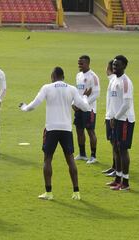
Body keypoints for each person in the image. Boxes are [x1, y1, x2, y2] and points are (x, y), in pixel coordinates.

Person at [20, 67, 90, 200]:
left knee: (47, 159)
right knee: (70, 159)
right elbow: (85, 107)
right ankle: (76, 192)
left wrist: (24, 107)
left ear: (53, 76)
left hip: (51, 128)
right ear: (63, 76)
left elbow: (34, 104)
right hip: (66, 129)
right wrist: (85, 96)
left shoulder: (47, 87)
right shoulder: (72, 89)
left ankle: (49, 192)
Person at [106, 55, 135, 191]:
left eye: (117, 65)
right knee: (116, 148)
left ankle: (126, 182)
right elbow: (113, 101)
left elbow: (126, 104)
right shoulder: (114, 80)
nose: (114, 67)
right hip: (115, 119)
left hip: (124, 120)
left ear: (124, 66)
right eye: (113, 65)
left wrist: (115, 117)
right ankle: (117, 179)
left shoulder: (126, 82)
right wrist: (111, 117)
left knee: (123, 149)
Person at [73, 55, 100, 164]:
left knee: (90, 131)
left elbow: (96, 94)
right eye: (79, 63)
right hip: (79, 108)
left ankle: (93, 156)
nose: (79, 65)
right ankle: (82, 154)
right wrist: (74, 103)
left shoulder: (93, 76)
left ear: (88, 63)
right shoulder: (78, 75)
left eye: (82, 63)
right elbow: (77, 92)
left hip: (89, 109)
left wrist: (84, 103)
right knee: (79, 130)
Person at [102, 60, 117, 177]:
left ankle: (117, 168)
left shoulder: (113, 81)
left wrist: (111, 117)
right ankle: (114, 166)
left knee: (115, 143)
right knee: (113, 143)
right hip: (110, 116)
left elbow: (115, 102)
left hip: (113, 118)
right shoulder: (111, 80)